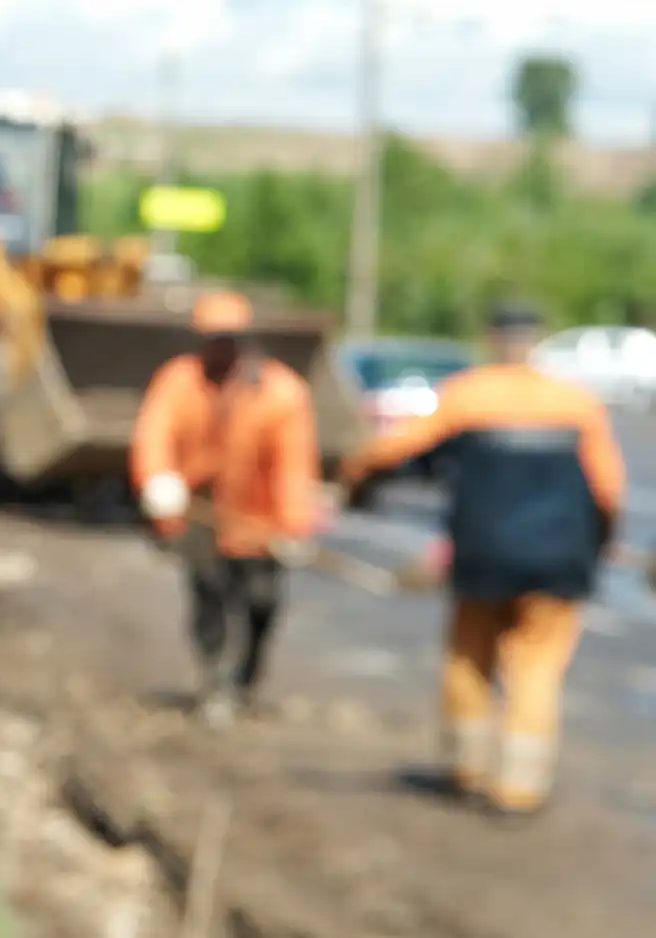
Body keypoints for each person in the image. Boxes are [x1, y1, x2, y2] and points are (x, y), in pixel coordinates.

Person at [338, 299, 624, 818]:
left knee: (470, 656)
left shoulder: (467, 397)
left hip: (482, 553)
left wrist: (353, 475)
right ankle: (519, 785)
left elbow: (393, 449)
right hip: (560, 558)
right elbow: (608, 490)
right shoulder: (577, 404)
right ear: (537, 338)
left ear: (492, 338)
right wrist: (601, 542)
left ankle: (466, 765)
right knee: (536, 666)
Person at [132, 290, 325, 728]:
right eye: (212, 338)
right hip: (200, 513)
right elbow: (154, 432)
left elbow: (294, 465)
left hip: (259, 519)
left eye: (228, 338)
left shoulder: (280, 392)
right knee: (209, 596)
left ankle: (246, 679)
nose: (220, 347)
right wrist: (158, 479)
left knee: (261, 601)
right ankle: (215, 681)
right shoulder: (180, 380)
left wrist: (295, 524)